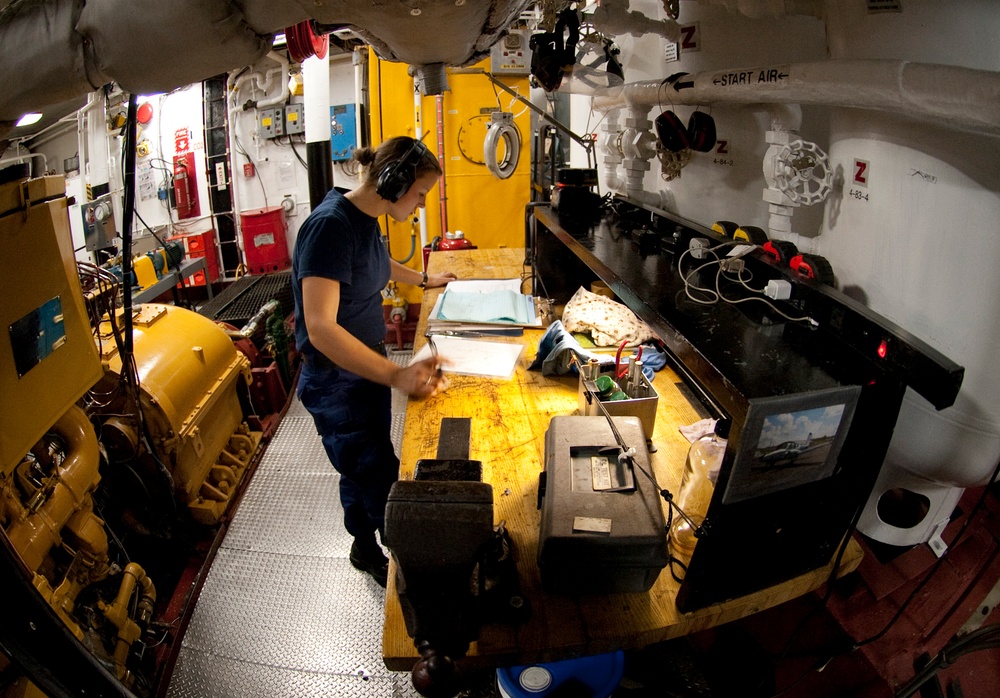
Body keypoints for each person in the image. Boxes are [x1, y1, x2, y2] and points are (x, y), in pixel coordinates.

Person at [291, 136, 456, 586]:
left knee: (361, 465)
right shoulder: (330, 227)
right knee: (379, 473)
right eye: (420, 193)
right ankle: (402, 561)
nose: (421, 204)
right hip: (336, 382)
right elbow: (321, 328)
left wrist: (425, 279)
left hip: (362, 370)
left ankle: (362, 545)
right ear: (393, 180)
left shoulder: (366, 218)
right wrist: (398, 374)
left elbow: (379, 264)